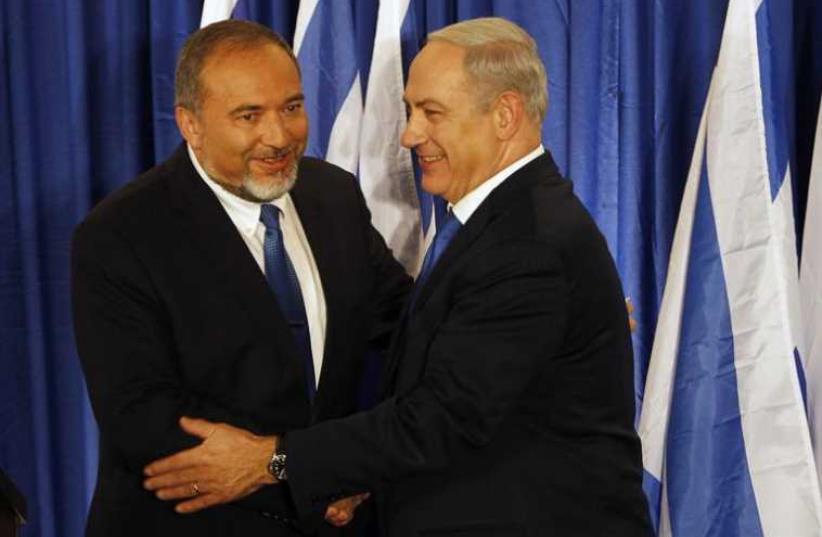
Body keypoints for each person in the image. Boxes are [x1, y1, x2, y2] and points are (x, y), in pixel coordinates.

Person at [143, 17, 653, 537]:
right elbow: (419, 351)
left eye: (431, 113)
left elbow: (440, 419)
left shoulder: (528, 245)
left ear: (505, 115)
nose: (409, 135)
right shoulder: (497, 223)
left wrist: (271, 460)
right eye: (410, 111)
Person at [71, 20, 411, 537]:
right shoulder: (121, 235)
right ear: (191, 124)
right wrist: (315, 474)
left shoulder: (333, 196)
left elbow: (397, 333)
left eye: (292, 107)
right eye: (248, 115)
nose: (278, 137)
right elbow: (145, 421)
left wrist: (349, 465)